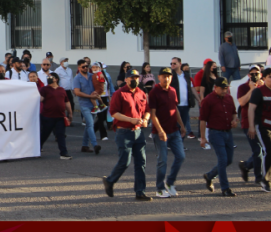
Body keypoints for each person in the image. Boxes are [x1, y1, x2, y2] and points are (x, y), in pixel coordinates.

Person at [102, 69, 152, 201]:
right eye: (131, 78)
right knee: (125, 161)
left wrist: (146, 119)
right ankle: (110, 181)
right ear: (126, 79)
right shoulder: (119, 93)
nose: (134, 80)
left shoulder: (141, 93)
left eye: (136, 77)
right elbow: (114, 113)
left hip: (138, 132)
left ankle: (140, 191)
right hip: (124, 132)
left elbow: (147, 110)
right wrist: (131, 120)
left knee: (141, 162)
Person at [148, 68, 186, 198]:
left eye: (168, 76)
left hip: (174, 131)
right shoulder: (154, 92)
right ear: (159, 77)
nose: (166, 79)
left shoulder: (173, 91)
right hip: (160, 133)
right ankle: (159, 188)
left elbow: (175, 109)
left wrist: (182, 125)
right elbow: (153, 115)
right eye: (164, 76)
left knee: (181, 156)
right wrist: (160, 131)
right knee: (162, 160)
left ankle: (170, 182)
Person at [200, 77, 238, 197]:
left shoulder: (229, 98)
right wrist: (202, 137)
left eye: (226, 88)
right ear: (215, 88)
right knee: (222, 159)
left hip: (227, 132)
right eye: (222, 88)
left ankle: (210, 175)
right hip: (215, 133)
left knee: (229, 160)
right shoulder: (208, 100)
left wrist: (234, 120)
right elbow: (202, 120)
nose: (224, 90)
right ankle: (225, 188)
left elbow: (234, 113)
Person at [237, 65, 264, 185]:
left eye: (256, 73)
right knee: (258, 149)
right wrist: (252, 89)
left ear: (261, 74)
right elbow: (242, 102)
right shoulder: (243, 87)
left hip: (262, 122)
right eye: (251, 74)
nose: (254, 76)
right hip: (248, 123)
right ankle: (258, 176)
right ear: (248, 75)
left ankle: (247, 165)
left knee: (265, 150)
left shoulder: (264, 87)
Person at [38, 72, 72, 160]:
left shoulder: (62, 90)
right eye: (48, 77)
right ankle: (37, 148)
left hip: (60, 116)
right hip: (47, 116)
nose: (49, 78)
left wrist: (70, 114)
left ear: (56, 79)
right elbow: (40, 99)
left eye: (51, 77)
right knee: (44, 134)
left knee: (60, 135)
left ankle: (64, 153)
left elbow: (67, 102)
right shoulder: (44, 89)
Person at [73, 59, 100, 154]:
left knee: (89, 125)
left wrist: (97, 92)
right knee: (90, 124)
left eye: (86, 66)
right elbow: (77, 92)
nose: (85, 68)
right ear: (79, 68)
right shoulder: (77, 78)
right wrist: (90, 96)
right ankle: (95, 144)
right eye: (83, 66)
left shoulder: (92, 76)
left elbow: (98, 87)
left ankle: (84, 146)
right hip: (84, 104)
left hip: (94, 104)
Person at [170, 57, 197, 140]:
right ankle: (173, 143)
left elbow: (192, 88)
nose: (172, 65)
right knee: (175, 125)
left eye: (174, 63)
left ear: (180, 64)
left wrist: (199, 99)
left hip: (186, 104)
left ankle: (180, 144)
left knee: (183, 125)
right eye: (171, 63)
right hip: (175, 105)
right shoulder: (170, 76)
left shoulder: (186, 76)